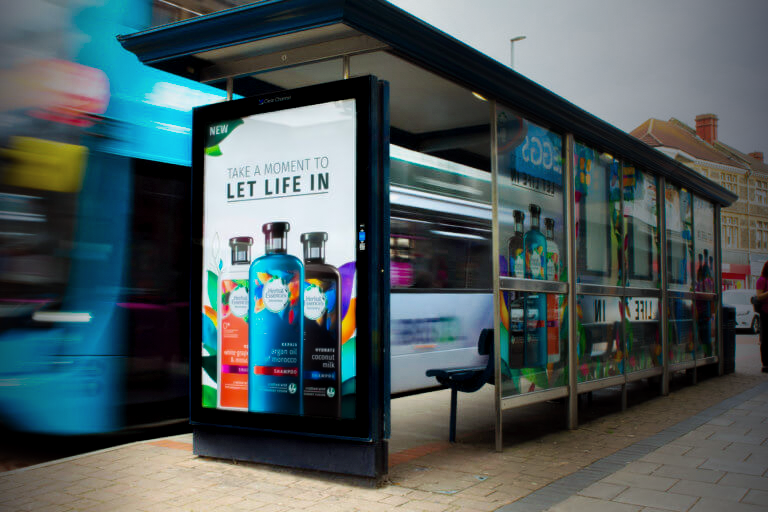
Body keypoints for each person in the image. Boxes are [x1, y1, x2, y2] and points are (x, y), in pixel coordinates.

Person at [754, 261, 768, 373]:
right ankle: (765, 364)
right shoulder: (762, 280)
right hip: (765, 312)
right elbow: (759, 296)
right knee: (766, 339)